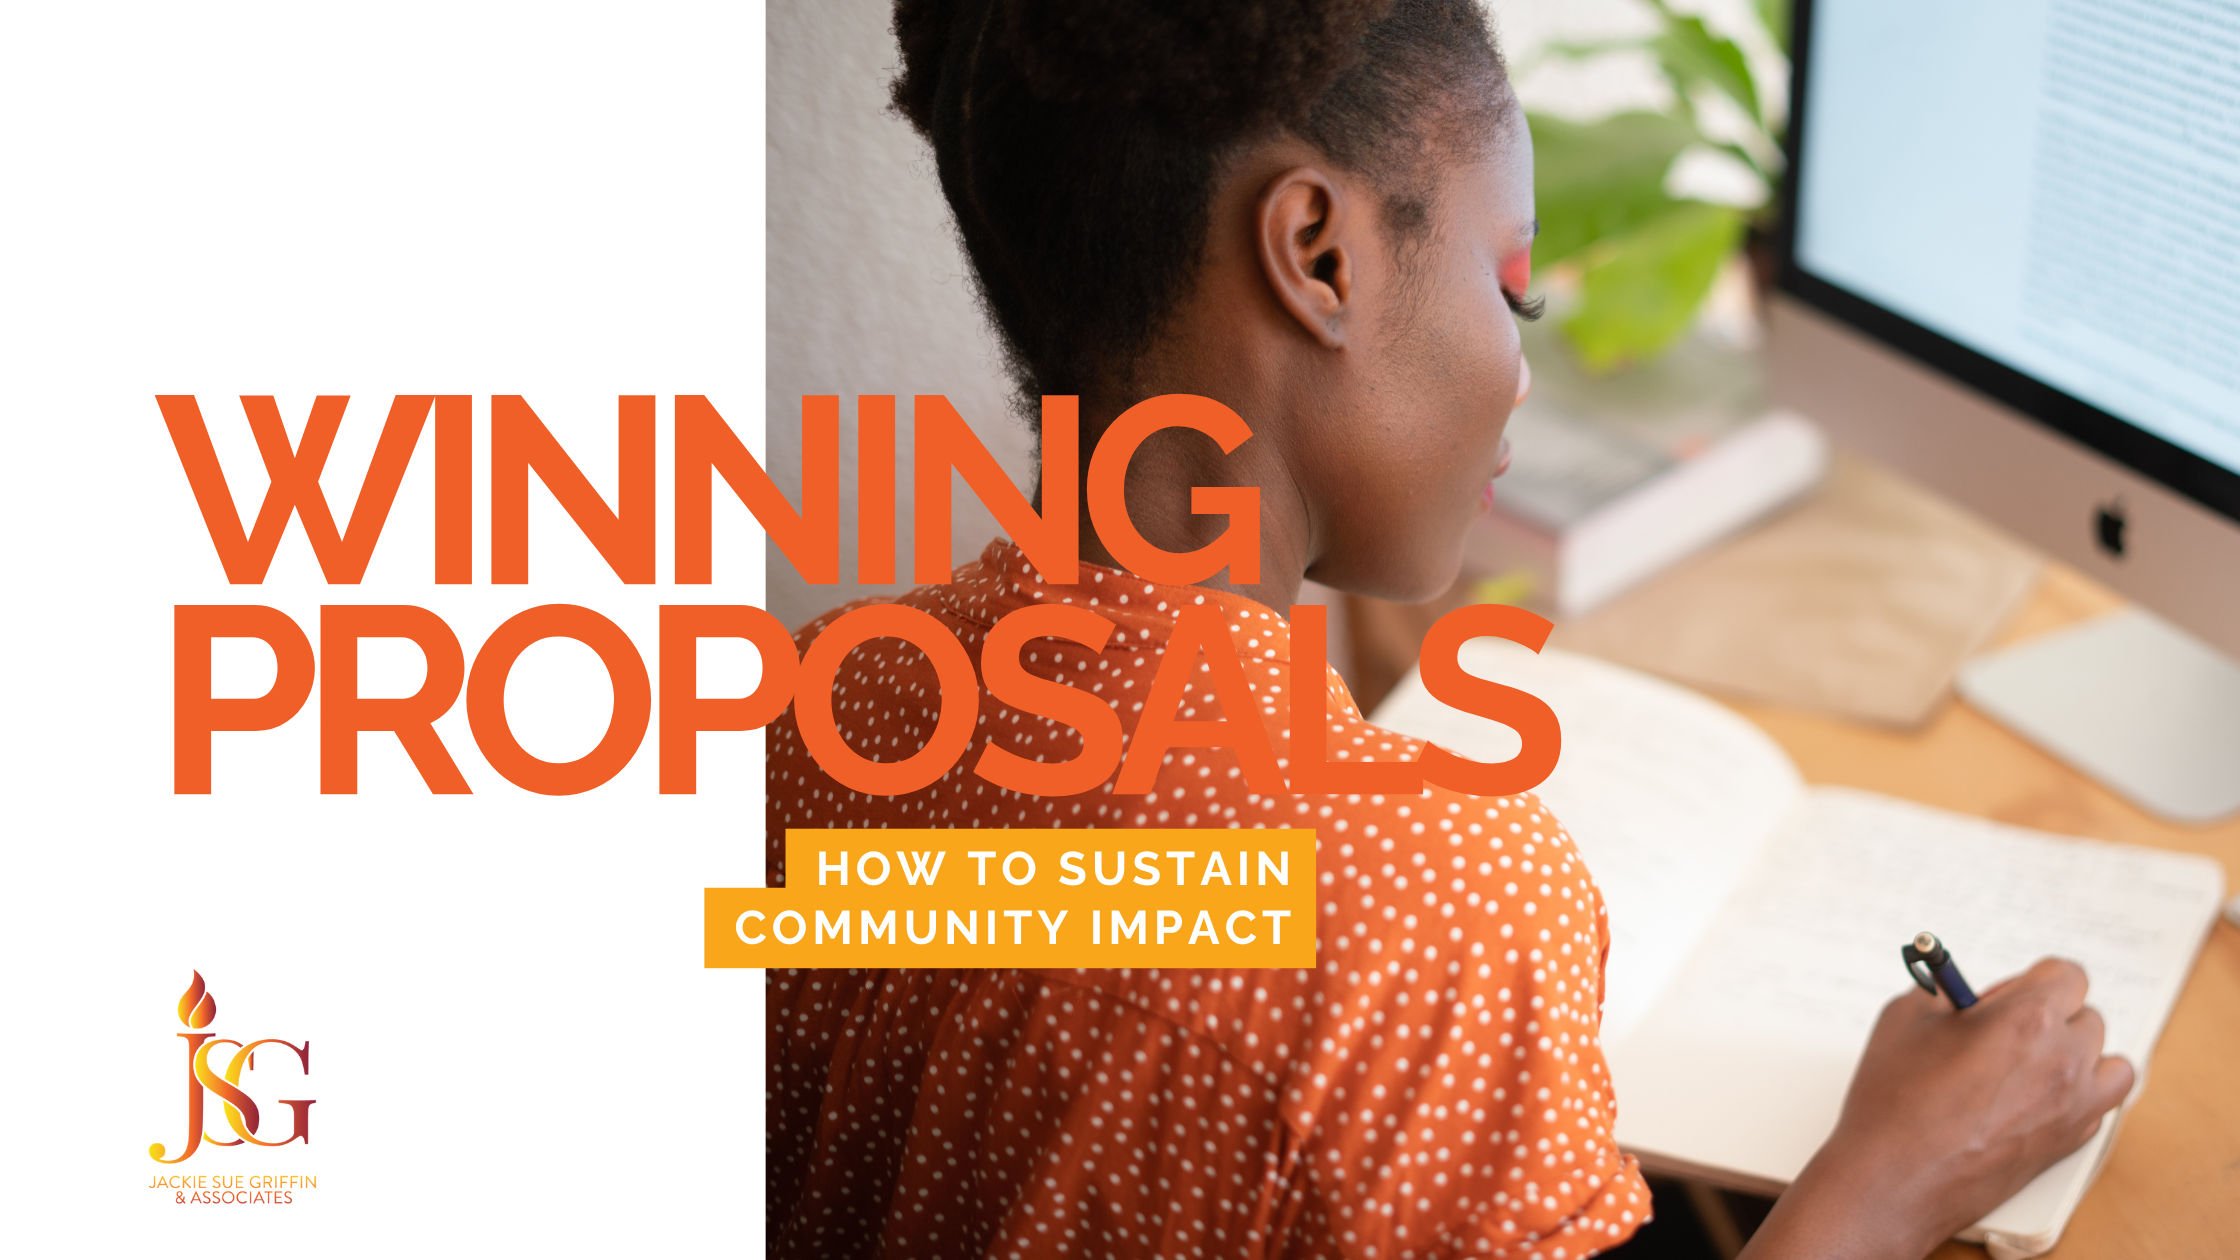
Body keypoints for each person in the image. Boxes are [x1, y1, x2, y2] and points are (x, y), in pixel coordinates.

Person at [763, 3, 2134, 1257]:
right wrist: (1893, 1175)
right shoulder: (1430, 923)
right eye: (1511, 287)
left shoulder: (823, 705)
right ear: (1318, 254)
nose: (1522, 368)